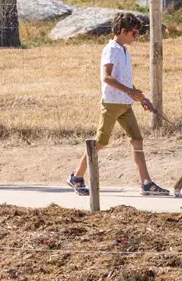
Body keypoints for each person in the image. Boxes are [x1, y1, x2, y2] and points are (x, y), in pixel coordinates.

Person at [68, 12, 169, 197]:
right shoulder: (111, 50)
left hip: (125, 104)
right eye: (134, 33)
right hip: (112, 103)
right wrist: (130, 92)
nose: (136, 37)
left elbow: (124, 79)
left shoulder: (124, 50)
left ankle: (146, 183)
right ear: (123, 31)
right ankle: (77, 176)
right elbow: (106, 77)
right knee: (99, 142)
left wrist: (140, 97)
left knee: (137, 139)